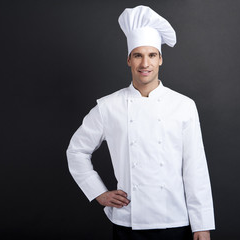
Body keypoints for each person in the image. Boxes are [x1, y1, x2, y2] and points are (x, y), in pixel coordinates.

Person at [66, 5, 215, 240]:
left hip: (175, 221)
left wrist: (202, 225)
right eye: (138, 55)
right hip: (128, 223)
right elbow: (76, 151)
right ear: (128, 60)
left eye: (152, 55)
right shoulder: (108, 106)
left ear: (160, 59)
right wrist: (98, 193)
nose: (145, 63)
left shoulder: (184, 105)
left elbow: (195, 169)